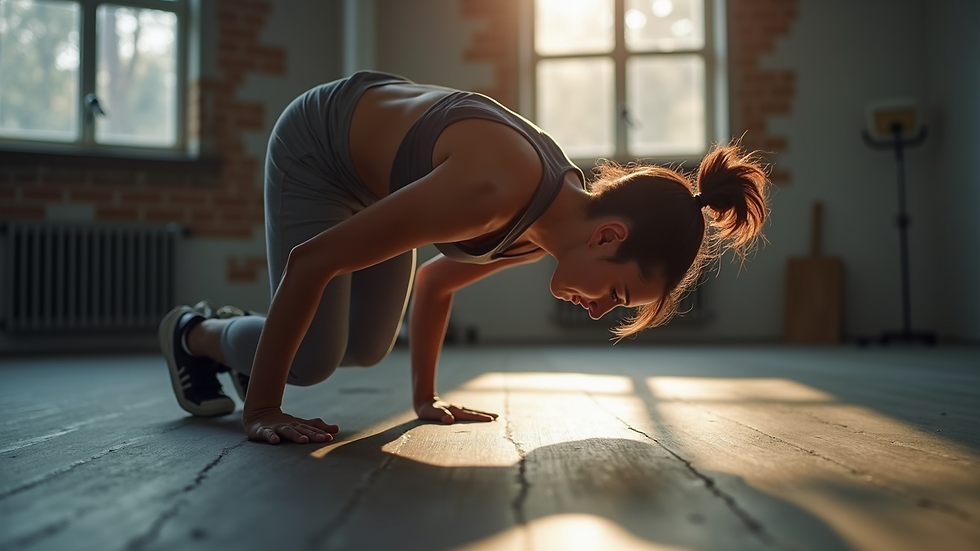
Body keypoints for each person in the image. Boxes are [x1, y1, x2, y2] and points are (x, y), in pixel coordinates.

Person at [158, 70, 769, 445]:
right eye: (614, 294)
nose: (596, 311)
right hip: (318, 149)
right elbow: (311, 261)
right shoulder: (493, 193)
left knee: (366, 347)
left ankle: (248, 345)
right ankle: (194, 334)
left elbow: (435, 282)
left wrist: (425, 400)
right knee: (316, 358)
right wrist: (263, 411)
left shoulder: (544, 230)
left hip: (378, 180)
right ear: (608, 237)